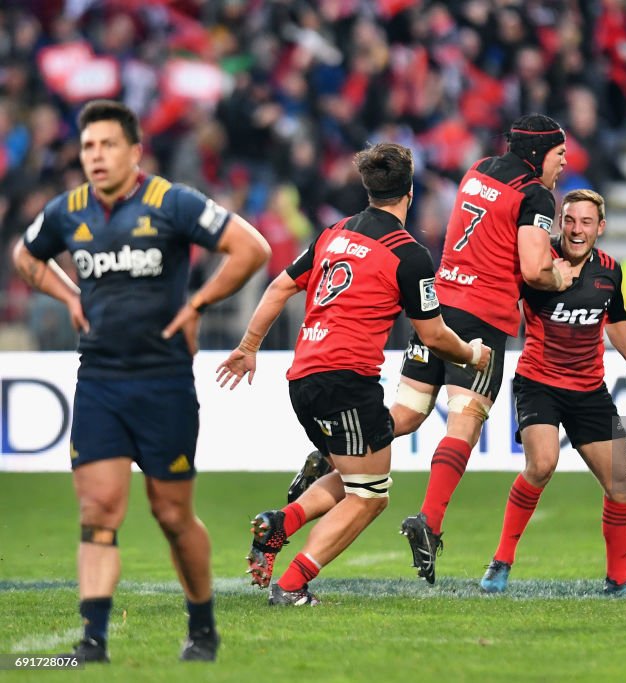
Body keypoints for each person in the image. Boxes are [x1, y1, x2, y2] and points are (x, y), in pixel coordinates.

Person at [11, 99, 271, 662]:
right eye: (87, 147)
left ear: (135, 151)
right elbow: (25, 257)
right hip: (99, 379)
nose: (96, 156)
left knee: (172, 514)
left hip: (163, 381)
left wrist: (199, 302)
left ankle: (201, 627)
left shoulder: (171, 202)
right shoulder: (67, 210)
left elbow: (252, 248)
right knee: (98, 510)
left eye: (107, 145)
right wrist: (67, 294)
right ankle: (93, 641)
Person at [215, 142, 491, 605]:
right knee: (371, 496)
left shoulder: (333, 234)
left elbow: (280, 285)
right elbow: (435, 335)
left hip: (303, 377)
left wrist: (248, 347)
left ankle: (280, 524)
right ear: (410, 192)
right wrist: (473, 356)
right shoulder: (408, 254)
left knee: (356, 474)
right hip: (345, 380)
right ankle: (291, 585)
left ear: (368, 189)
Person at [393, 113, 573, 584]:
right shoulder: (536, 194)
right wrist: (563, 274)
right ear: (538, 155)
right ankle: (430, 522)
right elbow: (534, 269)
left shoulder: (479, 170)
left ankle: (332, 455)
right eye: (559, 155)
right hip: (481, 319)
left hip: (438, 306)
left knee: (406, 414)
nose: (564, 164)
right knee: (465, 420)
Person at [478, 189, 626, 596]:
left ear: (600, 228)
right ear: (560, 223)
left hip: (588, 389)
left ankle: (618, 582)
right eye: (570, 220)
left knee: (623, 484)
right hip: (538, 382)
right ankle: (500, 563)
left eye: (586, 222)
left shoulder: (609, 271)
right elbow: (500, 301)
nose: (577, 230)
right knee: (542, 464)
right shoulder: (538, 266)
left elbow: (615, 317)